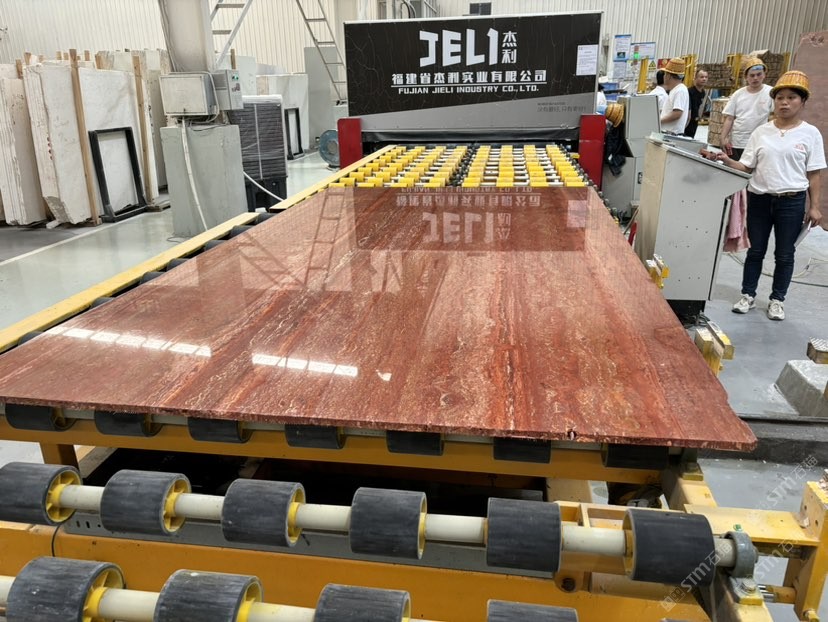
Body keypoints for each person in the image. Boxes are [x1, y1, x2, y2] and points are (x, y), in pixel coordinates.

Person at [715, 70, 825, 321]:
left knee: (785, 254)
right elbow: (746, 166)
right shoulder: (761, 132)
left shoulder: (810, 134)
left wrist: (815, 206)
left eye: (791, 98)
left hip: (791, 202)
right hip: (760, 200)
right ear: (773, 101)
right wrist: (726, 160)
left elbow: (814, 174)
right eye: (780, 98)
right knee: (755, 251)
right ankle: (748, 294)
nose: (784, 103)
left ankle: (777, 299)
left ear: (802, 102)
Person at [720, 57, 773, 160]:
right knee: (735, 167)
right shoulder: (738, 94)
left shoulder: (770, 93)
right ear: (746, 77)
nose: (755, 78)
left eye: (759, 74)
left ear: (764, 75)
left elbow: (774, 117)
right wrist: (723, 138)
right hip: (738, 142)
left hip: (759, 142)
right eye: (752, 75)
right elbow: (729, 118)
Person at [660, 57, 690, 134]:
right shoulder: (676, 90)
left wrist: (658, 121)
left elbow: (677, 114)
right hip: (668, 133)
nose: (664, 76)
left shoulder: (680, 90)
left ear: (669, 76)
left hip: (671, 134)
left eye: (665, 74)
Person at [684, 68, 708, 138]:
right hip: (687, 121)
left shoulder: (703, 92)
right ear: (696, 78)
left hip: (695, 121)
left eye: (706, 77)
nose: (704, 79)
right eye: (701, 77)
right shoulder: (689, 92)